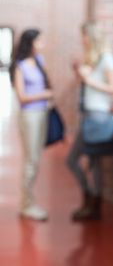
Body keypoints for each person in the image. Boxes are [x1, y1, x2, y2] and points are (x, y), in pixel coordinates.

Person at [66, 22, 113, 221]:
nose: (82, 40)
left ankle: (92, 202)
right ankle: (91, 202)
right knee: (92, 162)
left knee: (77, 159)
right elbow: (88, 85)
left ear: (92, 37)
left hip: (98, 116)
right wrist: (79, 73)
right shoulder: (94, 59)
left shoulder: (106, 59)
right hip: (89, 115)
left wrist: (89, 81)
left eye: (84, 36)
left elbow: (112, 88)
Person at [10, 28, 53, 221]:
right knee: (31, 160)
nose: (42, 44)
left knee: (36, 158)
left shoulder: (39, 61)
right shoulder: (19, 66)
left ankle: (28, 202)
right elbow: (22, 97)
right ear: (31, 42)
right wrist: (44, 95)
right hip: (29, 116)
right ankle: (26, 204)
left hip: (42, 114)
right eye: (40, 41)